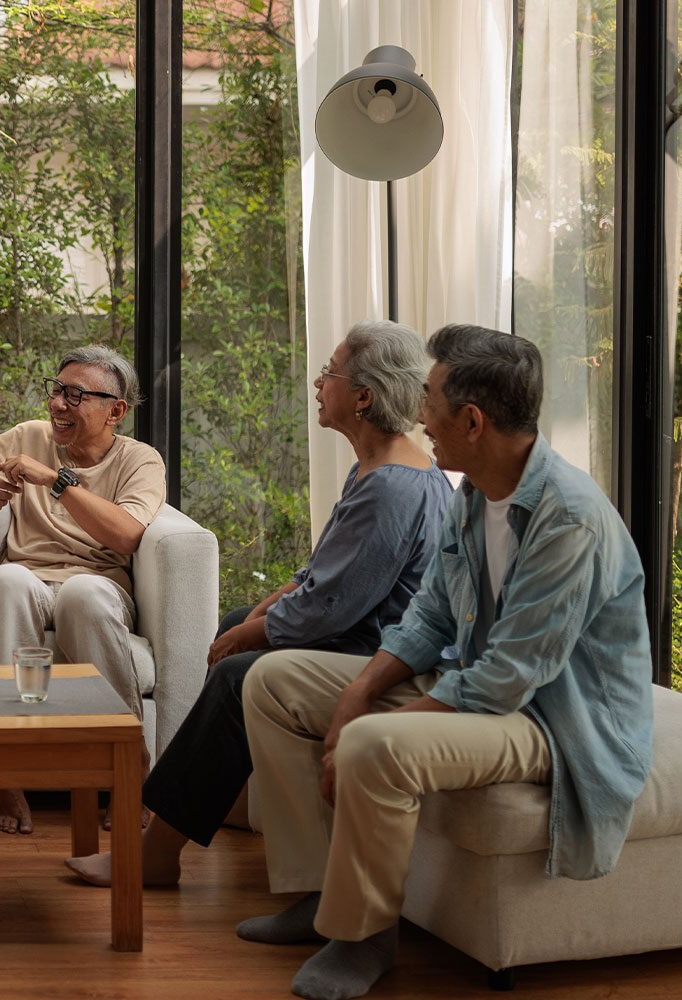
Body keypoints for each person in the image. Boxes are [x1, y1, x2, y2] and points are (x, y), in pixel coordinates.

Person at [236, 325, 653, 1000]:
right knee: (272, 682)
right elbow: (428, 617)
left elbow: (512, 675)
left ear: (472, 420)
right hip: (473, 687)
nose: (419, 415)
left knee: (375, 744)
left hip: (550, 718)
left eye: (429, 399)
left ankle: (362, 937)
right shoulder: (473, 492)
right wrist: (354, 695)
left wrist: (366, 727)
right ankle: (315, 893)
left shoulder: (568, 518)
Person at [65, 320, 451, 884]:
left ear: (363, 397)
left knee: (238, 672)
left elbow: (335, 605)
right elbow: (322, 572)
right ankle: (230, 804)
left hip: (380, 652)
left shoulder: (394, 485)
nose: (318, 384)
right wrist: (259, 613)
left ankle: (157, 851)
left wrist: (259, 632)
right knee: (233, 623)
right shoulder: (376, 465)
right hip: (357, 631)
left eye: (330, 373)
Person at [0, 345, 165, 835]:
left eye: (76, 395)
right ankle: (3, 766)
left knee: (85, 593)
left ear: (115, 411)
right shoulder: (28, 436)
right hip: (30, 577)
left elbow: (126, 535)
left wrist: (56, 481)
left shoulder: (140, 460)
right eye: (57, 390)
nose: (59, 404)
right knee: (5, 581)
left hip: (98, 581)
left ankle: (130, 761)